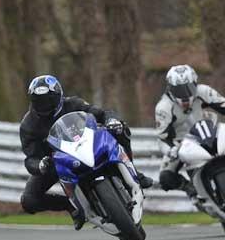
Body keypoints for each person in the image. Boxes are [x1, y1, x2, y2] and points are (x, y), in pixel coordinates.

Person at [19, 74, 153, 230]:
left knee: (119, 128)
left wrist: (111, 120)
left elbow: (101, 113)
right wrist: (40, 165)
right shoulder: (28, 125)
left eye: (48, 100)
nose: (45, 106)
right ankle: (71, 207)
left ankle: (134, 173)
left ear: (59, 95)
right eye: (39, 102)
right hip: (58, 162)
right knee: (29, 200)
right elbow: (30, 158)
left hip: (87, 146)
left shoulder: (73, 103)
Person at [155, 64, 225, 195]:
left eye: (189, 88)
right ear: (170, 89)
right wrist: (172, 151)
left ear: (195, 83)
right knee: (165, 178)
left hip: (209, 133)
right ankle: (190, 189)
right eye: (179, 90)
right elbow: (162, 138)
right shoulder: (163, 107)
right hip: (181, 145)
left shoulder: (204, 91)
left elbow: (223, 105)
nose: (185, 95)